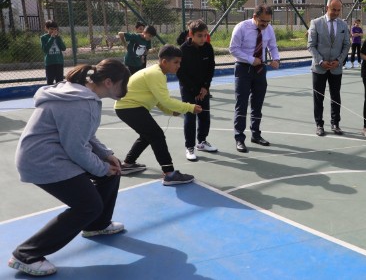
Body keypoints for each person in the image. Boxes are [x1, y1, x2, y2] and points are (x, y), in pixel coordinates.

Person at [8, 59, 129, 277]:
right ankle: (25, 255)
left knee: (112, 171)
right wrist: (101, 168)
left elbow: (86, 136)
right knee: (88, 205)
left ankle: (97, 225)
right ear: (109, 82)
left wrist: (107, 156)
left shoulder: (81, 94)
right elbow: (76, 148)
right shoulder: (80, 102)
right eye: (124, 83)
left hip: (54, 154)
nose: (126, 89)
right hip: (43, 160)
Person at [115, 44, 201, 185]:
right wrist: (190, 107)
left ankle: (128, 164)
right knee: (157, 135)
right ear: (164, 62)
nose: (178, 66)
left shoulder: (157, 73)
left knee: (148, 135)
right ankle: (169, 173)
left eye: (180, 62)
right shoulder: (156, 74)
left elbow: (158, 100)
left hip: (128, 108)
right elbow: (165, 100)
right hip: (130, 108)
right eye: (176, 62)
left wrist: (171, 111)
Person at [229, 4, 280, 153]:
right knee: (242, 104)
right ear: (255, 17)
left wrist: (276, 59)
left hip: (260, 70)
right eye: (263, 21)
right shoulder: (241, 27)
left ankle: (256, 134)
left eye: (268, 21)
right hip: (243, 69)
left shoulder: (268, 29)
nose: (265, 24)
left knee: (257, 104)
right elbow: (233, 49)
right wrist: (251, 59)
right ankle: (239, 138)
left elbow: (273, 46)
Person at [308, 0, 351, 137]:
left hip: (336, 68)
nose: (336, 13)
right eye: (334, 9)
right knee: (318, 97)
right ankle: (319, 124)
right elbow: (311, 45)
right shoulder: (316, 23)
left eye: (339, 10)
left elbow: (346, 45)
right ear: (327, 7)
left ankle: (335, 123)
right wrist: (321, 61)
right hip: (319, 68)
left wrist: (339, 61)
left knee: (335, 96)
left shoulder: (343, 25)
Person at [177, 19, 216, 162]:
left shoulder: (208, 48)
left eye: (205, 35)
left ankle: (202, 142)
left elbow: (211, 68)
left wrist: (205, 87)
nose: (203, 38)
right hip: (188, 89)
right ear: (191, 34)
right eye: (200, 35)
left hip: (203, 89)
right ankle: (190, 147)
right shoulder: (182, 50)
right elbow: (180, 73)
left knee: (205, 115)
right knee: (190, 117)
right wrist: (194, 90)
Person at [40, 20, 67, 85]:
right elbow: (45, 50)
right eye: (51, 29)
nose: (53, 31)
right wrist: (52, 38)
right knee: (50, 81)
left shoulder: (58, 38)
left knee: (60, 82)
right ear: (46, 28)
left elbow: (64, 48)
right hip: (50, 63)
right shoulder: (43, 38)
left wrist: (59, 38)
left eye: (55, 29)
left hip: (59, 62)